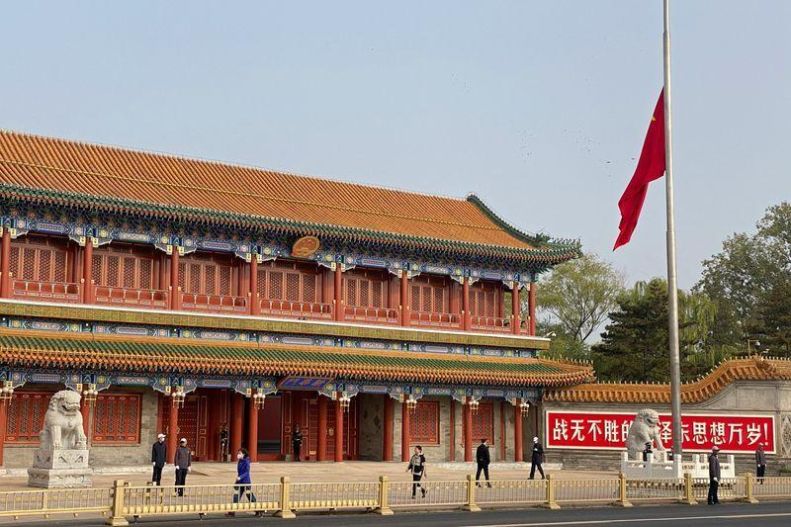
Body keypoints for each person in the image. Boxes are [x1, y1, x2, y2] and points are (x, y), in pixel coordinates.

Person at [227, 448, 259, 517]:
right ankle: (232, 512)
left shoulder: (246, 462)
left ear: (243, 454)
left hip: (246, 482)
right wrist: (236, 481)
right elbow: (239, 472)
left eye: (239, 453)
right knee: (236, 496)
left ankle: (258, 510)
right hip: (239, 482)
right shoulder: (240, 461)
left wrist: (240, 477)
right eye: (238, 453)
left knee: (250, 496)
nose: (238, 455)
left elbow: (246, 472)